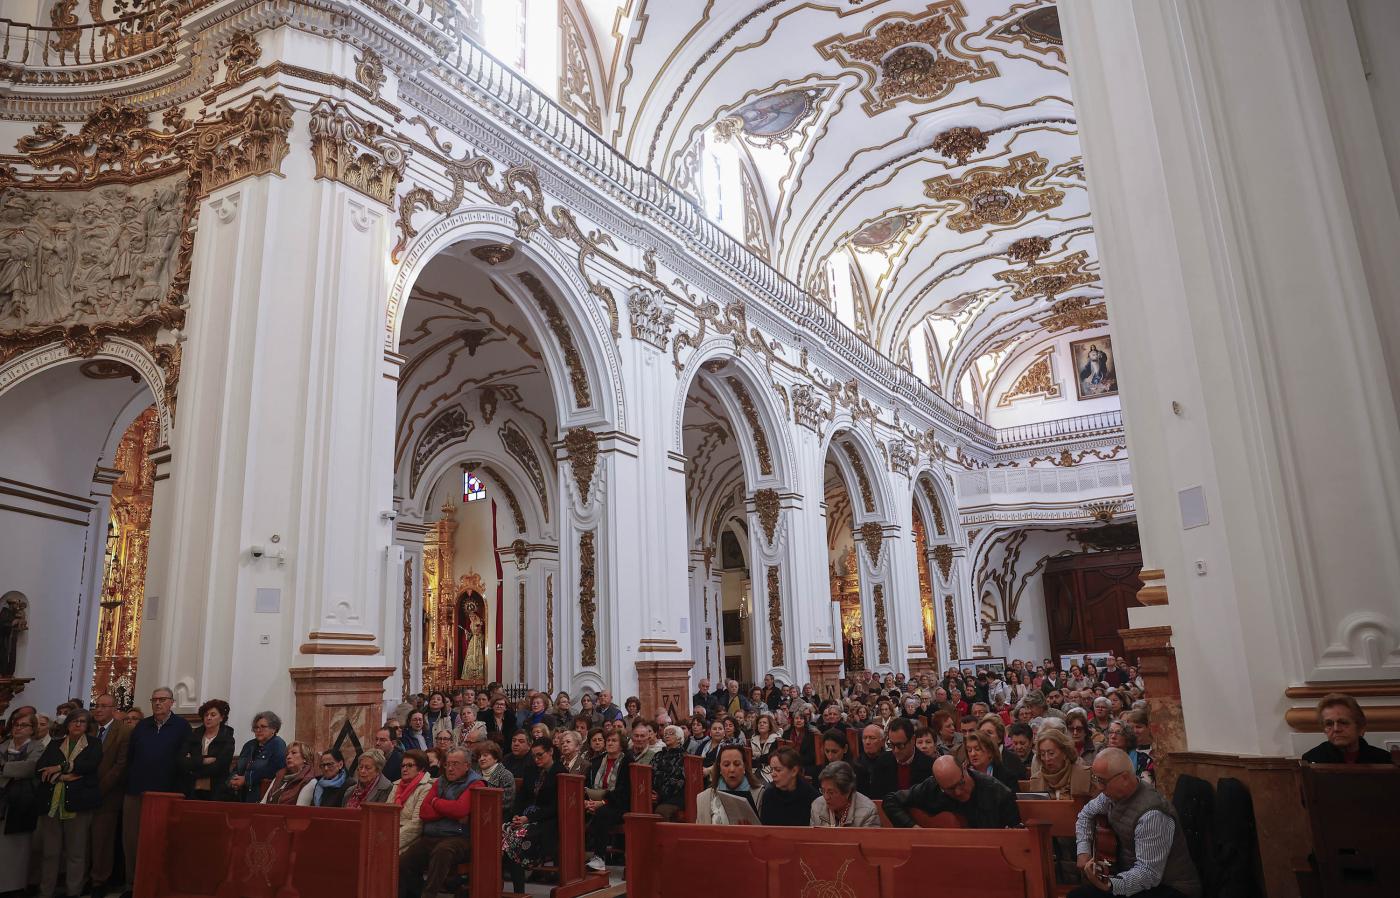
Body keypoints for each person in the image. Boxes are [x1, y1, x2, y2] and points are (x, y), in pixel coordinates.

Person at [1072, 748, 1201, 898]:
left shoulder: (1152, 814)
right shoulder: (1111, 795)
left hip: (1171, 887)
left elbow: (1149, 873)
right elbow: (1085, 814)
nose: (1099, 787)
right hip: (1133, 878)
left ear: (1125, 778)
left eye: (1103, 781)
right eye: (1096, 779)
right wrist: (1083, 851)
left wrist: (1111, 884)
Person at [122, 685, 190, 896]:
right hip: (136, 790)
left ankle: (158, 885)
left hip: (166, 793)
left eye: (162, 699)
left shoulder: (182, 727)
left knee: (160, 840)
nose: (158, 703)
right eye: (154, 700)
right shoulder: (142, 726)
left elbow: (184, 761)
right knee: (132, 841)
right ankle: (132, 885)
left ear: (172, 702)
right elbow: (130, 757)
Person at [35, 709, 102, 898]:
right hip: (53, 803)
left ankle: (74, 892)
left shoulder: (94, 744)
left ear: (88, 725)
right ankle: (45, 892)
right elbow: (40, 768)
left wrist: (58, 768)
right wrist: (65, 776)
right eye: (74, 721)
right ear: (68, 724)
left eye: (82, 721)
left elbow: (90, 766)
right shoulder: (55, 744)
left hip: (79, 804)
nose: (78, 724)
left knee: (76, 853)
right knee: (50, 852)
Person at [400, 747, 482, 898]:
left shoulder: (476, 783)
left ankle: (429, 895)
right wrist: (449, 809)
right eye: (447, 764)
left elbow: (460, 810)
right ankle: (415, 893)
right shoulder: (440, 781)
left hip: (458, 837)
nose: (450, 768)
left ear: (467, 766)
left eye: (455, 764)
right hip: (431, 836)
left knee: (443, 851)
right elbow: (424, 812)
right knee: (405, 861)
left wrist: (436, 802)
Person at [884, 754, 1021, 829]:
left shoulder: (998, 793)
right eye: (949, 789)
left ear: (964, 768)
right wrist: (914, 827)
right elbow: (890, 801)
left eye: (960, 783)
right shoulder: (931, 787)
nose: (958, 792)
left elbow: (1014, 835)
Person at [502, 738, 563, 893]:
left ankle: (519, 890)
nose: (536, 759)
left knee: (514, 839)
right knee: (501, 831)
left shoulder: (561, 772)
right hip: (524, 817)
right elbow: (521, 798)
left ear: (550, 752)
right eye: (534, 756)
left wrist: (528, 819)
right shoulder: (531, 770)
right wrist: (517, 815)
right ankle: (497, 884)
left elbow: (555, 807)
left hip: (546, 821)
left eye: (540, 755)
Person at [87, 693, 129, 898]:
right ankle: (85, 877)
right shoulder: (90, 729)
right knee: (84, 839)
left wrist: (99, 789)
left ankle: (99, 880)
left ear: (114, 709)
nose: (98, 709)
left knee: (102, 840)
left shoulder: (123, 732)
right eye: (96, 705)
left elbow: (120, 766)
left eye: (104, 706)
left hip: (108, 794)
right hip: (83, 793)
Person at [1, 714, 41, 897]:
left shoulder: (36, 747)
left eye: (24, 725)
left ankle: (14, 886)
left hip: (23, 802)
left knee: (19, 846)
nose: (18, 728)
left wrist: (4, 769)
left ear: (32, 729)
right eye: (16, 725)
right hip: (3, 800)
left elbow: (30, 768)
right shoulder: (3, 745)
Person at [582, 731, 632, 871]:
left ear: (621, 745)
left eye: (614, 741)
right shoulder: (597, 761)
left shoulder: (627, 761)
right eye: (608, 740)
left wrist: (602, 803)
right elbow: (588, 785)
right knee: (573, 811)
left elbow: (625, 791)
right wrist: (588, 802)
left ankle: (599, 858)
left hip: (618, 804)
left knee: (602, 813)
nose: (609, 743)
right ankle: (573, 856)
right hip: (595, 801)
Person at [1300, 693, 1393, 763]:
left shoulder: (1383, 759)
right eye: (1329, 724)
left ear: (1360, 727)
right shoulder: (1312, 759)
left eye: (1343, 722)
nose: (1336, 729)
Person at [179, 699, 235, 801]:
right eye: (206, 715)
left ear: (221, 718)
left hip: (216, 791)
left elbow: (220, 766)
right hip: (192, 790)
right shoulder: (194, 736)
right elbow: (182, 761)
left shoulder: (227, 739)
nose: (208, 718)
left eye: (213, 715)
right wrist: (203, 760)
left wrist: (193, 768)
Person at [694, 744, 764, 825]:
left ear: (744, 766)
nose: (732, 769)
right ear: (719, 768)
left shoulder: (760, 794)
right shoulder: (704, 797)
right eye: (726, 765)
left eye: (737, 764)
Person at [229, 711, 286, 802]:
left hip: (261, 795)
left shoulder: (278, 744)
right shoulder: (249, 745)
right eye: (256, 727)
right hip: (241, 794)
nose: (258, 730)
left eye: (263, 727)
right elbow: (237, 767)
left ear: (274, 729)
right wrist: (233, 780)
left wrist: (246, 779)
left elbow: (274, 770)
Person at [871, 718, 933, 797]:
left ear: (913, 740)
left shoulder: (929, 766)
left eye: (900, 745)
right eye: (892, 745)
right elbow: (876, 797)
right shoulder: (881, 762)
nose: (896, 751)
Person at [758, 747, 817, 826]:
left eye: (778, 770)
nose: (773, 774)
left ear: (794, 771)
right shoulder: (768, 795)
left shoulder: (811, 797)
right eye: (772, 770)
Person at [1027, 728, 1094, 799]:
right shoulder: (1036, 780)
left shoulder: (1085, 775)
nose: (1047, 758)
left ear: (1065, 753)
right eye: (1043, 754)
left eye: (1051, 753)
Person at [810, 761, 879, 827]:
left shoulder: (867, 812)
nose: (826, 797)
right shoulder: (817, 806)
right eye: (823, 790)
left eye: (831, 792)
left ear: (847, 792)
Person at [388, 748, 432, 853]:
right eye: (403, 766)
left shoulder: (426, 788)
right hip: (389, 832)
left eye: (410, 765)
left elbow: (417, 825)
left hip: (410, 839)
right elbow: (386, 814)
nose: (404, 769)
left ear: (421, 768)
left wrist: (390, 841)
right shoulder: (396, 785)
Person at [261, 741, 316, 806]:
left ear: (305, 758)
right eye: (287, 754)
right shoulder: (279, 776)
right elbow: (263, 803)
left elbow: (300, 810)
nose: (288, 757)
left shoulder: (309, 781)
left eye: (294, 753)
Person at [651, 725, 687, 820]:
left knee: (661, 811)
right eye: (665, 734)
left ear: (679, 738)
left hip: (673, 797)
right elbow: (650, 774)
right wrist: (651, 792)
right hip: (654, 794)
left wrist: (659, 795)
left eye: (671, 734)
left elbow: (677, 781)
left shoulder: (684, 757)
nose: (667, 736)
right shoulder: (658, 755)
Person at [474, 741, 514, 812]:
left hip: (498, 815)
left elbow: (506, 803)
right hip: (476, 812)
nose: (481, 759)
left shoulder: (506, 775)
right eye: (479, 756)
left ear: (495, 758)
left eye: (485, 755)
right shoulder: (474, 774)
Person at [854, 723, 886, 799]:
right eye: (864, 738)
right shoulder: (855, 764)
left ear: (883, 741)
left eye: (872, 738)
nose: (867, 742)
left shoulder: (890, 761)